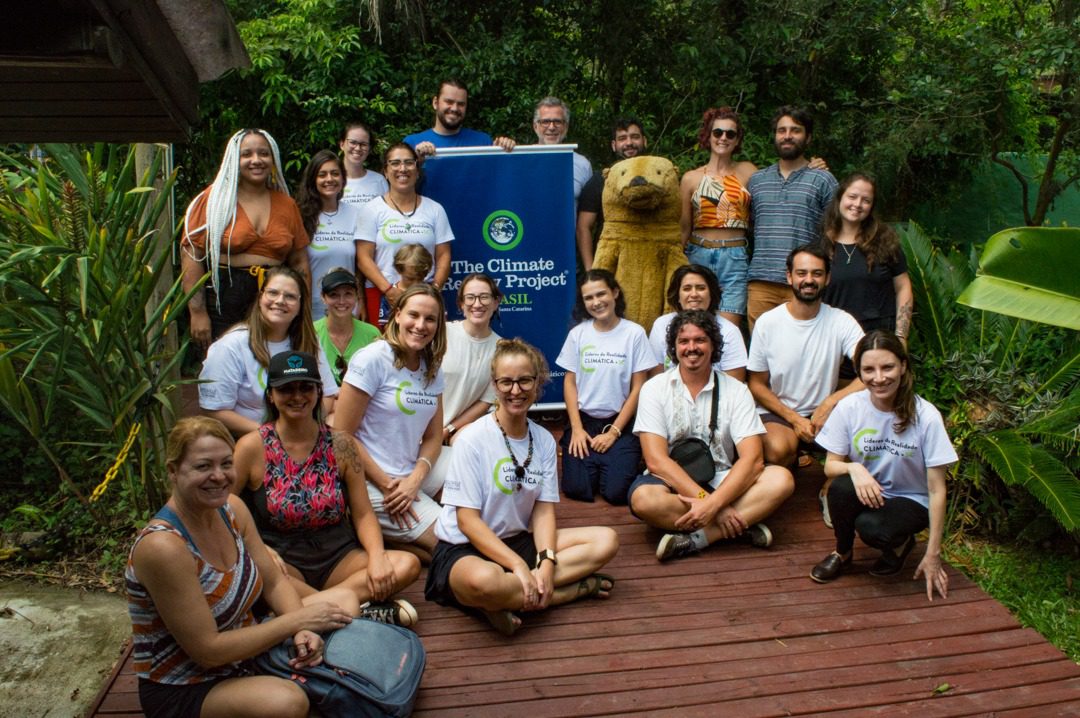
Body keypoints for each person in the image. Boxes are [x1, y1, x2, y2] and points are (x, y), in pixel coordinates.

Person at [126, 417, 353, 718]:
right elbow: (209, 651)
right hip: (190, 684)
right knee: (286, 703)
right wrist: (297, 622)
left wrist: (301, 629)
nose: (219, 476)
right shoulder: (164, 548)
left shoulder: (231, 509)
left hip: (247, 651)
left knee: (346, 600)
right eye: (203, 466)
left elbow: (273, 582)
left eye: (226, 464)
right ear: (173, 471)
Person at [424, 338, 619, 636]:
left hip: (518, 540)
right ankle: (567, 593)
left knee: (606, 540)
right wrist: (518, 566)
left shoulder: (542, 439)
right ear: (494, 385)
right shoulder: (471, 439)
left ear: (538, 382)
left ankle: (502, 601)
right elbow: (467, 521)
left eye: (525, 381)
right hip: (466, 548)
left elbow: (542, 512)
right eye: (506, 382)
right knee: (485, 581)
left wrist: (546, 563)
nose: (515, 391)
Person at [232, 351, 421, 626]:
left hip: (339, 557)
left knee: (407, 565)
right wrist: (258, 549)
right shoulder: (252, 446)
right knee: (256, 572)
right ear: (271, 396)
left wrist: (378, 557)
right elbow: (224, 506)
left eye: (306, 387)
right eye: (286, 389)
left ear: (319, 392)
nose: (297, 396)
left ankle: (305, 612)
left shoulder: (341, 444)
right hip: (284, 562)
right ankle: (355, 610)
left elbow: (363, 514)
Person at [628, 310, 794, 561]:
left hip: (723, 477)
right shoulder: (654, 388)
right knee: (644, 500)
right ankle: (741, 524)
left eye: (700, 340)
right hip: (674, 483)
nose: (691, 348)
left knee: (781, 479)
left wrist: (713, 504)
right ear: (674, 347)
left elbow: (753, 460)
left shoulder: (737, 390)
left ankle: (700, 538)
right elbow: (656, 461)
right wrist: (713, 505)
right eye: (683, 341)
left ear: (713, 345)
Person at [810, 331, 955, 602]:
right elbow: (831, 466)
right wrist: (856, 469)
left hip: (912, 499)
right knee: (840, 487)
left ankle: (900, 545)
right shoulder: (849, 407)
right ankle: (842, 553)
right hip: (872, 489)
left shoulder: (926, 416)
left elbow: (937, 490)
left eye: (887, 367)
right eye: (869, 369)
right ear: (859, 373)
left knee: (872, 528)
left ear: (903, 366)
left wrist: (933, 554)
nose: (879, 378)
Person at [333, 284, 449, 557]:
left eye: (430, 319)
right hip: (370, 480)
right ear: (397, 315)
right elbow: (341, 435)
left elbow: (434, 437)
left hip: (410, 472)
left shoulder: (432, 367)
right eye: (414, 315)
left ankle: (400, 539)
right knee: (452, 544)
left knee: (475, 472)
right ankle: (380, 529)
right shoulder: (373, 358)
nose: (421, 325)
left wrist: (416, 479)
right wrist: (389, 485)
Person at [181, 129, 311, 347]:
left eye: (263, 153)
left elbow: (299, 262)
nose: (256, 160)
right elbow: (192, 253)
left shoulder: (286, 204)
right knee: (222, 366)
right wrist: (197, 312)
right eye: (247, 154)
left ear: (273, 159)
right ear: (234, 159)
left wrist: (302, 308)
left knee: (273, 362)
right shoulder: (214, 200)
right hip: (225, 296)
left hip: (274, 296)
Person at [747, 245, 864, 469]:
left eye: (817, 273)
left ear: (828, 278)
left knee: (863, 441)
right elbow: (756, 384)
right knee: (779, 449)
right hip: (778, 411)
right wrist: (794, 418)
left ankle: (834, 485)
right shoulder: (768, 323)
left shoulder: (842, 321)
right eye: (802, 273)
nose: (809, 280)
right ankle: (792, 468)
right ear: (789, 277)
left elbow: (871, 369)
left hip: (826, 412)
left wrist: (831, 402)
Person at [199, 266, 338, 438]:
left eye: (290, 296)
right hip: (251, 440)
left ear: (301, 305)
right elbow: (214, 410)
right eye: (273, 293)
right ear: (260, 298)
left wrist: (306, 429)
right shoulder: (232, 345)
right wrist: (274, 434)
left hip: (301, 436)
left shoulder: (309, 340)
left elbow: (328, 394)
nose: (280, 301)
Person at [557, 269, 658, 504]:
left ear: (614, 292)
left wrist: (614, 432)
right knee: (577, 489)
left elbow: (638, 387)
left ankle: (621, 460)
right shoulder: (578, 334)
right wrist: (577, 428)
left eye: (601, 294)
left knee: (616, 493)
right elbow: (570, 382)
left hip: (620, 422)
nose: (596, 302)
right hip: (584, 422)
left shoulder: (634, 333)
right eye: (588, 298)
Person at [746, 106, 838, 329]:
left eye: (795, 130)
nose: (787, 136)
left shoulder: (823, 180)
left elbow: (835, 232)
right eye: (781, 130)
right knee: (762, 354)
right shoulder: (756, 181)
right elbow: (749, 227)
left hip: (803, 282)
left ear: (808, 138)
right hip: (761, 283)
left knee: (803, 349)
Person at [356, 143, 453, 326]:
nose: (403, 168)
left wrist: (435, 288)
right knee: (384, 350)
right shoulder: (371, 209)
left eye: (409, 163)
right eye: (395, 163)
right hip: (382, 294)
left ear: (417, 170)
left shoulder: (435, 209)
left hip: (424, 295)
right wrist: (389, 290)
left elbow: (444, 255)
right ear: (385, 171)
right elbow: (363, 257)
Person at [679, 107, 754, 326]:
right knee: (695, 325)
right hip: (698, 253)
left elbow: (777, 183)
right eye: (717, 132)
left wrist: (812, 165)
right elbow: (684, 228)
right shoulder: (690, 178)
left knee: (727, 331)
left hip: (735, 256)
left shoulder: (748, 172)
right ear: (708, 135)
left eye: (730, 134)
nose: (723, 138)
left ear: (737, 139)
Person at [821, 173, 914, 345]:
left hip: (878, 339)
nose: (857, 204)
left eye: (866, 200)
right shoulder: (820, 245)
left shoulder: (886, 242)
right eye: (852, 197)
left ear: (872, 206)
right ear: (840, 197)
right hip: (832, 339)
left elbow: (903, 287)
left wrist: (901, 335)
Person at [648, 264, 748, 382]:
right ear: (678, 296)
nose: (694, 294)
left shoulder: (729, 331)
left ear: (711, 294)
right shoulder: (661, 325)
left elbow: (734, 385)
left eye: (701, 288)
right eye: (687, 288)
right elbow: (655, 379)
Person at [295, 150, 363, 320]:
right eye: (322, 175)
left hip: (346, 305)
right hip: (310, 307)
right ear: (313, 180)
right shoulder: (300, 215)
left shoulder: (356, 214)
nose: (329, 179)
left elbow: (360, 266)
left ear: (343, 178)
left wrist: (360, 301)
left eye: (335, 173)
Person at [575, 118, 648, 270]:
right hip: (610, 265)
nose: (629, 143)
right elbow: (584, 227)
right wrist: (591, 271)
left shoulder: (660, 178)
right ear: (614, 145)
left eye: (635, 137)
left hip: (649, 260)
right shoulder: (600, 180)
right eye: (622, 138)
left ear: (644, 141)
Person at [441, 274, 503, 446]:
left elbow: (485, 401)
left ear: (495, 302)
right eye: (470, 297)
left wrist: (449, 430)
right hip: (420, 428)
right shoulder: (441, 334)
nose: (477, 304)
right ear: (461, 303)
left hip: (457, 432)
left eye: (484, 297)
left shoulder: (501, 349)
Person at [404, 79, 515, 158]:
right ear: (435, 103)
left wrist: (505, 150)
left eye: (461, 104)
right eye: (449, 102)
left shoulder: (482, 141)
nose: (454, 108)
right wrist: (417, 159)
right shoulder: (412, 143)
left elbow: (497, 179)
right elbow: (401, 187)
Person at [313, 269, 380, 386]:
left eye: (348, 294)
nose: (341, 301)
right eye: (334, 295)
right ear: (323, 297)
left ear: (357, 296)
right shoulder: (312, 332)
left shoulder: (372, 334)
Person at [532, 96, 592, 201]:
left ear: (566, 126)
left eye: (557, 122)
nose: (551, 127)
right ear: (535, 126)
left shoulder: (583, 165)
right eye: (545, 122)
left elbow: (588, 209)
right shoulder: (520, 159)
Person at [377, 243, 434, 327]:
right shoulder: (391, 297)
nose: (415, 284)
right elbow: (386, 327)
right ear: (399, 270)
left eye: (420, 279)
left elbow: (440, 324)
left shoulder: (432, 294)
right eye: (410, 279)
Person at [338, 121, 389, 206]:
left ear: (369, 149)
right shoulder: (332, 180)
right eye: (353, 142)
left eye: (364, 144)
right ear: (342, 144)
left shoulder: (379, 180)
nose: (358, 148)